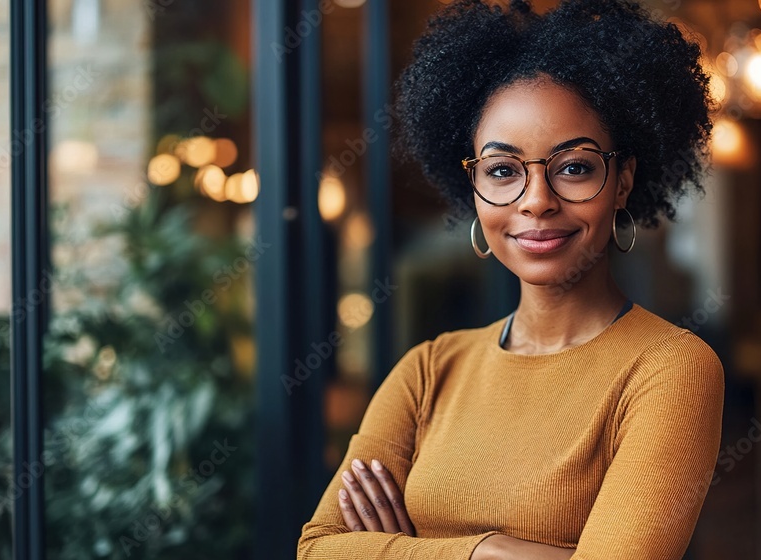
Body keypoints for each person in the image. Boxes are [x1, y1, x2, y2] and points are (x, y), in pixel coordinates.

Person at [298, 0, 723, 558]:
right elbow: (318, 548)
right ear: (474, 188)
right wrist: (487, 552)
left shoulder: (671, 371)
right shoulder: (429, 371)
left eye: (574, 167)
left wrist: (400, 550)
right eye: (503, 171)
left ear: (622, 182)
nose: (537, 202)